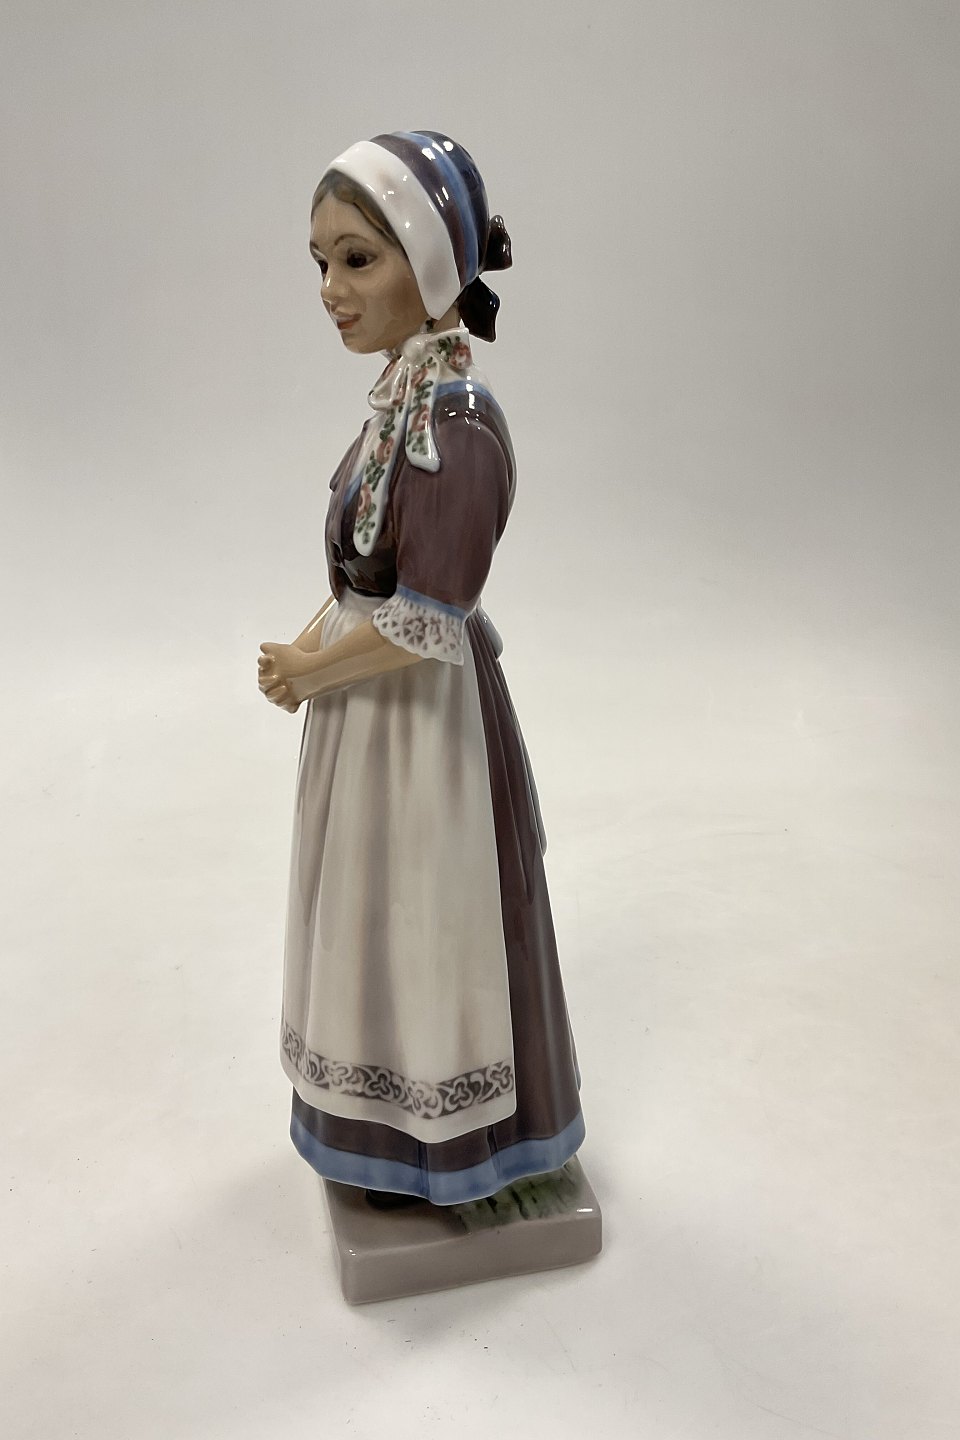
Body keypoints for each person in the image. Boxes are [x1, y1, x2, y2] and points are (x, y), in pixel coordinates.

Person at [258, 130, 584, 1207]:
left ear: (432, 264)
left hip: (422, 727)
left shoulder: (458, 426)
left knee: (434, 919)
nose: (330, 289)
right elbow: (366, 576)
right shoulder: (398, 410)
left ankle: (462, 1149)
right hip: (367, 716)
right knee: (372, 924)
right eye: (321, 262)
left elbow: (426, 617)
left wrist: (314, 671)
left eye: (358, 258)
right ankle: (382, 1134)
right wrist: (310, 646)